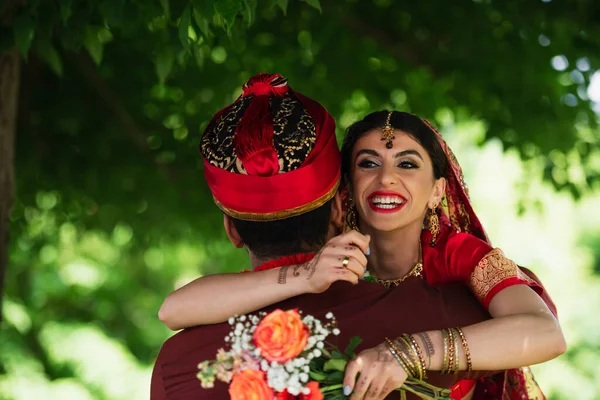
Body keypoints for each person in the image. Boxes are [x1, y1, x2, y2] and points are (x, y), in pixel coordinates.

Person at [158, 101, 566, 399]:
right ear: (345, 192)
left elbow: (546, 332)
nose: (387, 178)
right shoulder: (333, 258)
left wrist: (406, 352)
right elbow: (171, 311)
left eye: (407, 164)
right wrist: (306, 275)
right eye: (369, 164)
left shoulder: (460, 256)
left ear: (438, 190)